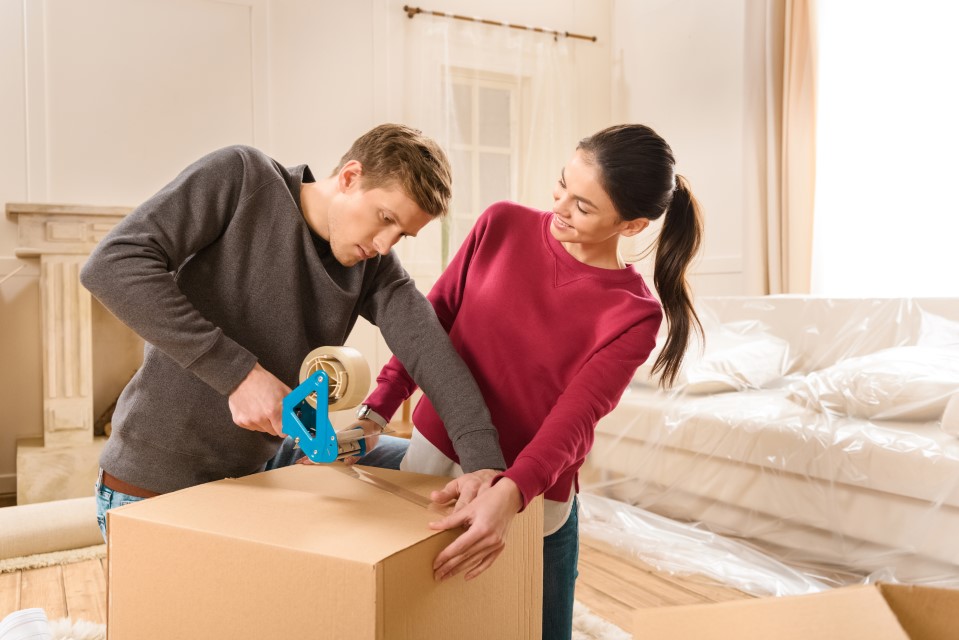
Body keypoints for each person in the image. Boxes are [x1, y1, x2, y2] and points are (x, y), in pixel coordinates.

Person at [358, 124, 704, 640]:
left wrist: (512, 493)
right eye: (562, 184)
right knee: (430, 622)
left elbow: (575, 418)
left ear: (630, 226)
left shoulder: (633, 314)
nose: (560, 206)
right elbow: (430, 327)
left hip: (532, 494)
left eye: (583, 206)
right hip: (434, 458)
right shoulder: (500, 224)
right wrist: (377, 408)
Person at [81, 124, 507, 540]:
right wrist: (239, 375)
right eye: (385, 218)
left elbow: (430, 351)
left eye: (401, 235)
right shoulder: (241, 176)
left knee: (430, 464)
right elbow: (112, 265)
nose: (384, 244)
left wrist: (484, 464)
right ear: (350, 176)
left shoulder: (373, 267)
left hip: (256, 478)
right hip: (155, 487)